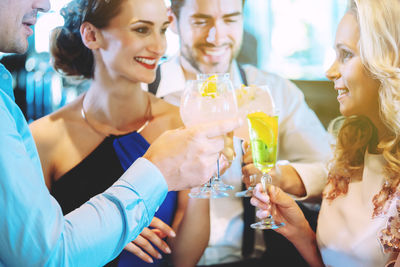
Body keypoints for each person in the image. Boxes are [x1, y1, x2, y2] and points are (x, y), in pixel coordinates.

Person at [0, 0, 240, 266]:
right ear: (91, 35)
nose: (159, 47)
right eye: (141, 30)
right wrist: (107, 236)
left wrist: (205, 178)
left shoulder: (182, 123)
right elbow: (35, 251)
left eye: (162, 30)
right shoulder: (43, 138)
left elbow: (184, 260)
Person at [143, 0, 332, 266]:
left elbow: (334, 174)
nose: (216, 36)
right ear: (172, 20)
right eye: (201, 21)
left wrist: (280, 175)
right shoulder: (140, 93)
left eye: (230, 20)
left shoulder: (273, 92)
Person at [251, 0, 400, 266]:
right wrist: (301, 235)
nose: (330, 71)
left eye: (346, 55)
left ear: (388, 60)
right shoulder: (356, 146)